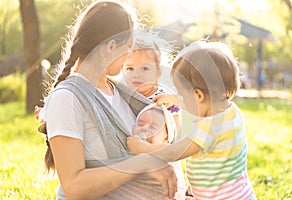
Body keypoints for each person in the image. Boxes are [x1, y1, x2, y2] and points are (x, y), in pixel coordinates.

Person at [37, 1, 178, 199]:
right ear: (111, 46)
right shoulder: (68, 99)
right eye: (128, 47)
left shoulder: (121, 90)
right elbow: (73, 186)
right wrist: (142, 163)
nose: (129, 55)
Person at [127, 41, 257, 199]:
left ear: (198, 95)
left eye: (183, 94)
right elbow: (199, 103)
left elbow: (174, 152)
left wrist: (141, 147)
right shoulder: (231, 113)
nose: (183, 100)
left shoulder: (208, 128)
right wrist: (176, 99)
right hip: (240, 193)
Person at [132, 103, 186, 200]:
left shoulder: (166, 158)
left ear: (166, 139)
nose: (144, 128)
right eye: (140, 124)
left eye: (153, 127)